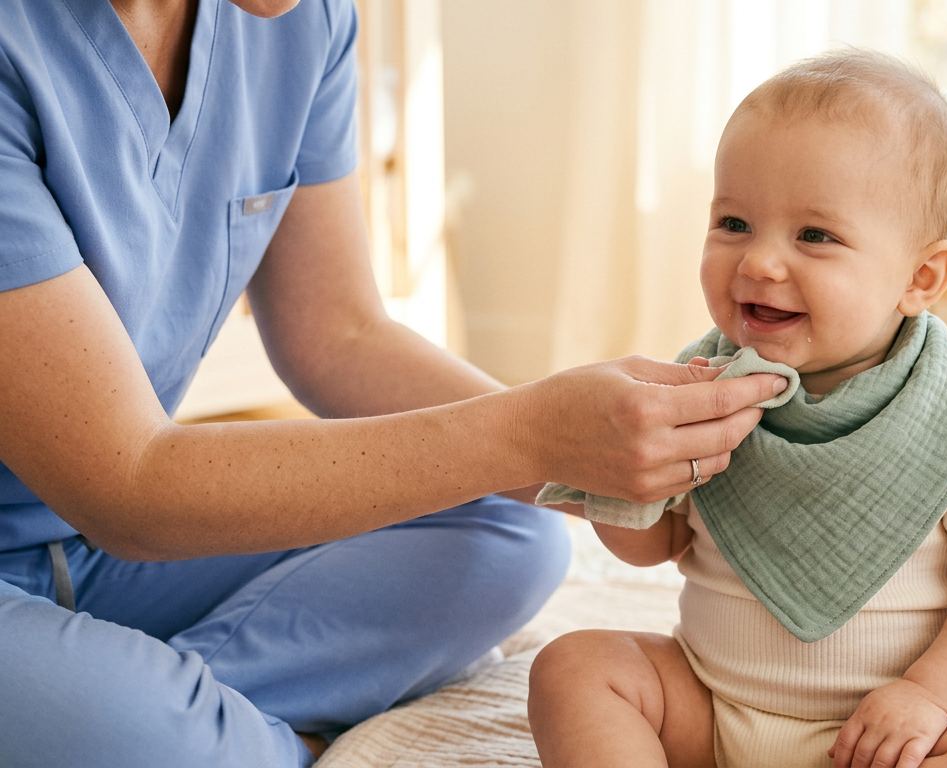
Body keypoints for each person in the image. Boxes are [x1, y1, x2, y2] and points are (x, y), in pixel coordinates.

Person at [0, 1, 787, 766]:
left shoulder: (302, 20)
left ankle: (171, 715)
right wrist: (533, 432)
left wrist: (606, 463)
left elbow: (339, 336)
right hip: (109, 508)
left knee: (514, 529)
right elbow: (126, 487)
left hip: (99, 552)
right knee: (153, 737)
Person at [527, 50, 947, 768]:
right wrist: (616, 492)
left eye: (814, 236)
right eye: (735, 222)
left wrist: (929, 697)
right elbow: (659, 548)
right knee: (574, 667)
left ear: (921, 277)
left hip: (881, 736)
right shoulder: (700, 386)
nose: (759, 263)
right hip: (711, 709)